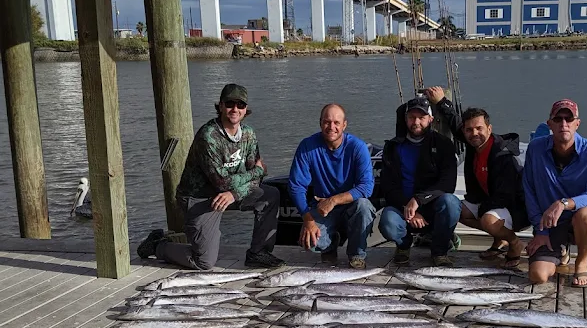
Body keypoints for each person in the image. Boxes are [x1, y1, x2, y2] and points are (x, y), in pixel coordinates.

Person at [137, 83, 283, 270]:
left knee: (270, 195)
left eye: (240, 105)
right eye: (230, 103)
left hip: (228, 195)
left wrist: (236, 193)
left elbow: (255, 180)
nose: (235, 109)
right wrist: (258, 171)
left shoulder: (249, 134)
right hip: (199, 199)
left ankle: (258, 253)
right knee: (204, 262)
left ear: (246, 109)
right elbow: (223, 181)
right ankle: (158, 245)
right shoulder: (208, 136)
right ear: (220, 106)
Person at [424, 88, 528, 269]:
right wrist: (442, 102)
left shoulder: (504, 156)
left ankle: (514, 242)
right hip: (490, 201)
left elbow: (505, 195)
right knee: (454, 210)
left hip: (515, 207)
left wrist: (482, 213)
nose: (474, 133)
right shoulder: (474, 144)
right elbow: (457, 125)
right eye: (469, 130)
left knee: (488, 220)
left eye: (479, 128)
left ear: (489, 128)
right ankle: (499, 241)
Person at [522, 98, 587, 287]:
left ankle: (581, 262)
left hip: (576, 220)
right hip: (548, 224)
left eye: (569, 119)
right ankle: (561, 253)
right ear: (549, 124)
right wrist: (540, 230)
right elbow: (529, 189)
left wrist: (563, 203)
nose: (564, 124)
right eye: (558, 119)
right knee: (538, 276)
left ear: (578, 123)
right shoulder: (535, 148)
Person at [288, 103, 376, 269]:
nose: (331, 127)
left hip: (352, 207)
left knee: (364, 206)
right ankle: (329, 245)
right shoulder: (307, 146)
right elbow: (296, 186)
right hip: (322, 208)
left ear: (344, 125)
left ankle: (357, 255)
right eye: (327, 122)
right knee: (310, 242)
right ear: (320, 123)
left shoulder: (358, 147)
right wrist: (307, 219)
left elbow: (366, 187)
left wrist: (334, 200)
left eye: (336, 122)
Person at [378, 94, 460, 265]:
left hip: (432, 206)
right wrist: (408, 206)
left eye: (421, 117)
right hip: (402, 207)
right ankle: (403, 246)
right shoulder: (392, 147)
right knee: (388, 222)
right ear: (405, 119)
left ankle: (439, 252)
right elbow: (387, 185)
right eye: (412, 117)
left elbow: (448, 183)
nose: (416, 122)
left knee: (451, 203)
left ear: (430, 119)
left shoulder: (444, 144)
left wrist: (419, 200)